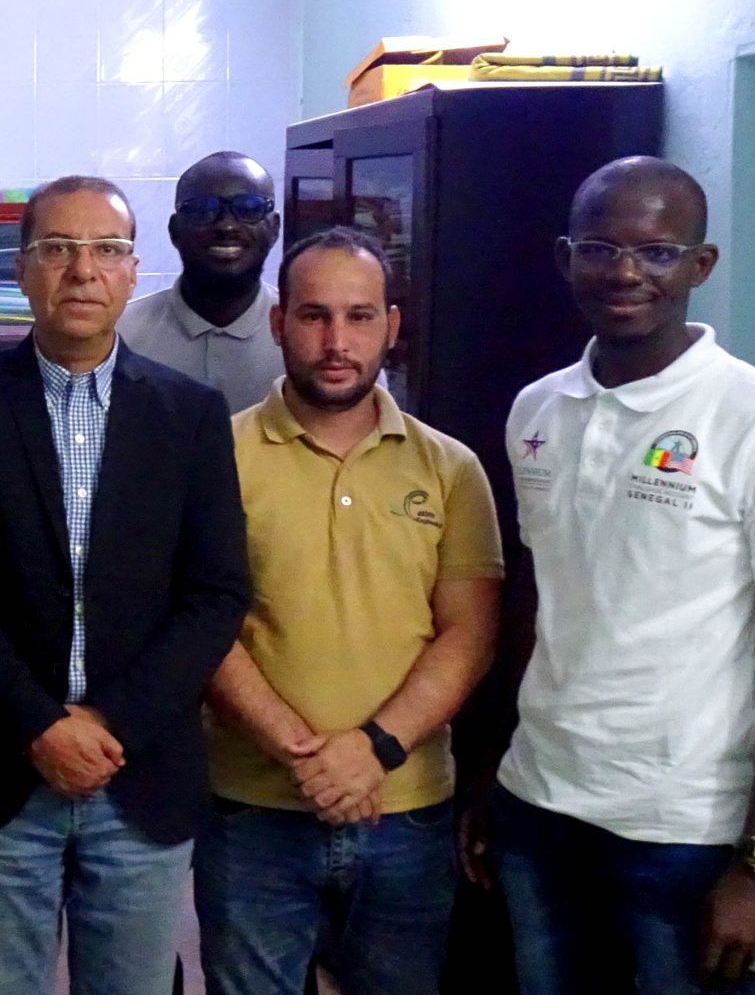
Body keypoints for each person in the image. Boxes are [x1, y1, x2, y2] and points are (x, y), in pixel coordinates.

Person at [469, 157, 755, 994]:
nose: (626, 273)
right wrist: (494, 770)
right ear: (566, 257)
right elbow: (538, 601)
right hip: (538, 809)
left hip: (686, 835)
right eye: (601, 248)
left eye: (657, 252)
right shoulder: (537, 409)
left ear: (700, 265)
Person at [0, 174, 250, 995]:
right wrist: (41, 725)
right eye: (57, 249)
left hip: (140, 769)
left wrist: (107, 723)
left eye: (107, 250)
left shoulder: (191, 415)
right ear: (22, 270)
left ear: (133, 272)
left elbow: (216, 593)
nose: (82, 270)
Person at [196, 226, 502, 995]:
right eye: (314, 315)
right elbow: (200, 625)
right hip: (252, 811)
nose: (337, 342)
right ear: (279, 323)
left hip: (407, 813)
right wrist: (305, 755)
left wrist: (373, 751)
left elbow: (470, 633)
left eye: (360, 316)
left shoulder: (450, 469)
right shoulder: (214, 458)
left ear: (391, 326)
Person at [117, 151, 288, 413]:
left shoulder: (301, 336)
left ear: (274, 228)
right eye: (203, 209)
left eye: (249, 208)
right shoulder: (120, 335)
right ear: (174, 230)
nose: (227, 226)